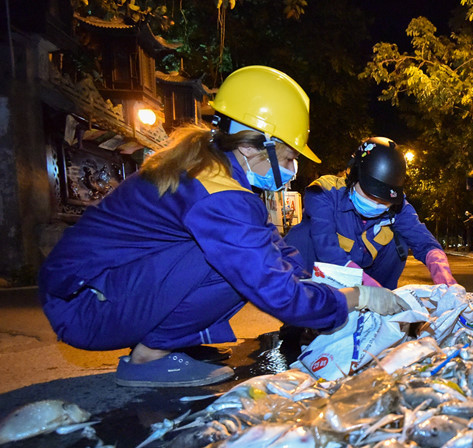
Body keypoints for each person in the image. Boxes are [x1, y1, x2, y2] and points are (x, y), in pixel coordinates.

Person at [38, 66, 408, 388]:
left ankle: (163, 342)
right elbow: (277, 292)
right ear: (251, 147)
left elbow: (276, 248)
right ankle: (149, 358)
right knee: (240, 267)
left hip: (98, 289)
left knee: (251, 258)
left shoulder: (214, 171)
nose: (292, 168)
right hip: (84, 305)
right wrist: (354, 298)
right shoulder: (219, 194)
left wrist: (322, 283)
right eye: (289, 156)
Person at [284, 137, 457, 290]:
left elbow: (423, 240)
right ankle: (299, 299)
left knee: (399, 240)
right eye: (370, 194)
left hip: (367, 274)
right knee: (304, 235)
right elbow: (326, 247)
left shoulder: (397, 205)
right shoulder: (325, 192)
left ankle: (380, 304)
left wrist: (442, 272)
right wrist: (367, 287)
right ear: (354, 177)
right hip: (323, 272)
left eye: (384, 200)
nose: (376, 204)